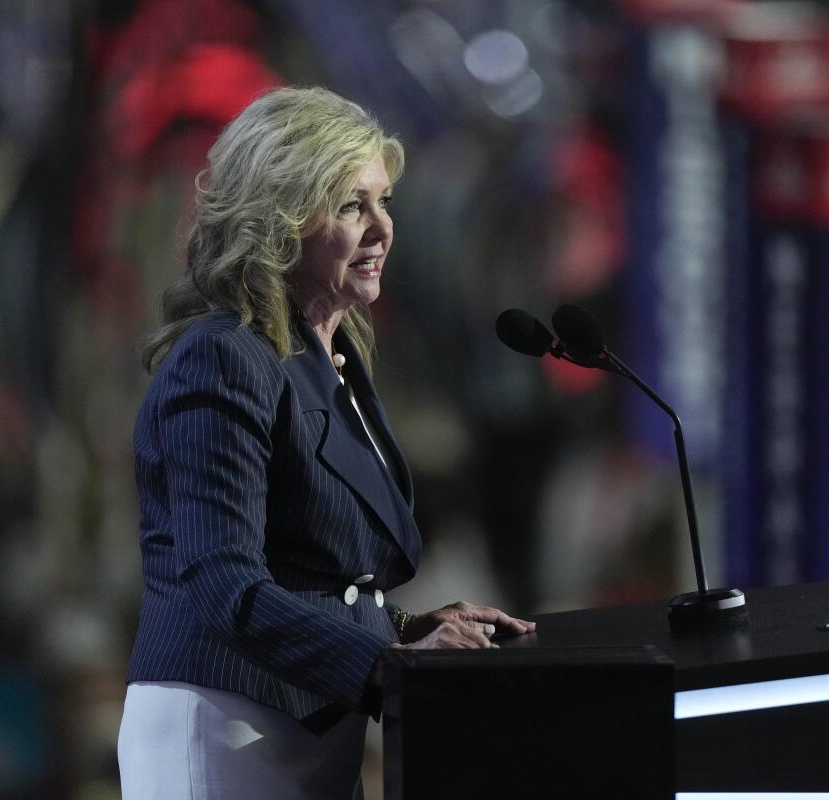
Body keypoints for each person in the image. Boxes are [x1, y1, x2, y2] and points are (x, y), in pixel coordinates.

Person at [116, 86, 535, 799]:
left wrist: (406, 627)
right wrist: (386, 664)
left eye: (383, 201)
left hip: (305, 726)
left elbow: (308, 568)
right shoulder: (222, 359)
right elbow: (225, 584)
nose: (382, 230)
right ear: (275, 222)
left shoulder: (328, 356)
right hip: (223, 727)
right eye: (350, 206)